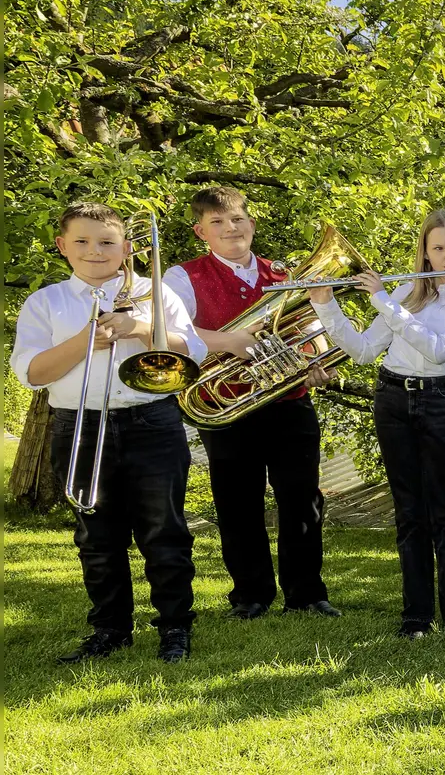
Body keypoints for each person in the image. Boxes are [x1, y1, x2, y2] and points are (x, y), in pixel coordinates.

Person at [12, 202, 204, 663]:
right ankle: (110, 629)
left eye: (107, 242)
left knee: (165, 531)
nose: (95, 251)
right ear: (62, 247)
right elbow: (32, 373)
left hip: (152, 421)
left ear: (128, 247)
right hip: (78, 423)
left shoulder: (154, 292)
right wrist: (86, 340)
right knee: (96, 534)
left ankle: (175, 627)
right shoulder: (46, 302)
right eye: (81, 241)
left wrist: (140, 326)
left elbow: (191, 349)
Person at [308, 209, 445, 638]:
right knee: (409, 513)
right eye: (439, 249)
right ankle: (416, 616)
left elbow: (440, 350)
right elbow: (364, 351)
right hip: (392, 400)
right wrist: (326, 304)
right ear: (425, 255)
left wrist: (382, 300)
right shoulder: (409, 291)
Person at [165, 186, 338, 621]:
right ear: (200, 230)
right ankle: (250, 595)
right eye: (218, 222)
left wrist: (316, 362)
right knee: (238, 502)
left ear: (252, 224)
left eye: (237, 219)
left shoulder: (286, 274)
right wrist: (232, 343)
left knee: (302, 500)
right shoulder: (181, 278)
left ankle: (307, 593)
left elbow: (311, 330)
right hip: (225, 403)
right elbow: (167, 332)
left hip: (289, 401)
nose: (230, 228)